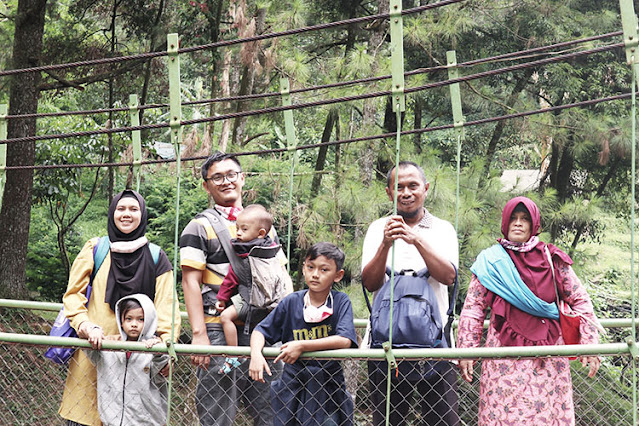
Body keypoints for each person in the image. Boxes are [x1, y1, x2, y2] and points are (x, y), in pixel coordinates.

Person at [456, 196, 601, 425]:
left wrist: (590, 345)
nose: (518, 223)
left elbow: (580, 300)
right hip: (503, 360)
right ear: (505, 222)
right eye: (513, 218)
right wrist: (466, 351)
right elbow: (473, 309)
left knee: (547, 416)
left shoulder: (552, 259)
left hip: (548, 359)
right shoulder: (490, 263)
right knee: (503, 416)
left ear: (534, 225)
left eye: (524, 219)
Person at [180, 151, 290, 425]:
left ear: (242, 178)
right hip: (218, 328)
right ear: (206, 186)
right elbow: (190, 281)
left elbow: (280, 276)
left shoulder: (265, 226)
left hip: (262, 329)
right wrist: (199, 335)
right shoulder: (199, 226)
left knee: (271, 409)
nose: (226, 181)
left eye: (231, 175)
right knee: (218, 412)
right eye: (217, 177)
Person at [59, 190, 181, 426]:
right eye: (121, 209)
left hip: (137, 360)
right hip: (95, 349)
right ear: (112, 213)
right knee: (85, 414)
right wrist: (85, 325)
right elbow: (73, 295)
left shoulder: (156, 257)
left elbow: (167, 306)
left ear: (142, 215)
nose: (127, 214)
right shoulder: (95, 249)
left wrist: (166, 346)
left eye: (134, 209)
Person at [361, 160, 460, 426]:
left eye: (413, 186)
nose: (406, 193)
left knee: (442, 419)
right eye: (399, 187)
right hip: (385, 343)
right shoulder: (377, 229)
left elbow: (448, 276)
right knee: (387, 420)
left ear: (425, 189)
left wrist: (415, 239)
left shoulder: (443, 229)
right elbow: (370, 283)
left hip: (436, 342)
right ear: (389, 192)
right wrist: (385, 244)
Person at [249, 242, 358, 425]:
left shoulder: (341, 301)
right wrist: (256, 355)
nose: (315, 274)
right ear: (304, 268)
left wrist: (302, 346)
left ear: (338, 275)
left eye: (324, 270)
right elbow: (260, 331)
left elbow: (345, 339)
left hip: (327, 386)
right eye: (310, 267)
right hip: (293, 386)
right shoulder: (291, 302)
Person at [215, 204, 287, 375]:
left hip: (247, 298)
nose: (238, 233)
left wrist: (222, 299)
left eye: (244, 229)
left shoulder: (242, 255)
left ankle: (233, 354)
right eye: (237, 228)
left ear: (261, 233)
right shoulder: (272, 251)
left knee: (225, 317)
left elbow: (231, 279)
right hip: (270, 302)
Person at [84, 294, 169, 426]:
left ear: (149, 320)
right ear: (121, 321)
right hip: (112, 421)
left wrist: (158, 351)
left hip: (147, 421)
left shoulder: (153, 348)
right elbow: (86, 342)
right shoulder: (109, 345)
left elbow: (161, 374)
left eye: (141, 319)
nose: (134, 324)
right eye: (129, 319)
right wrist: (92, 331)